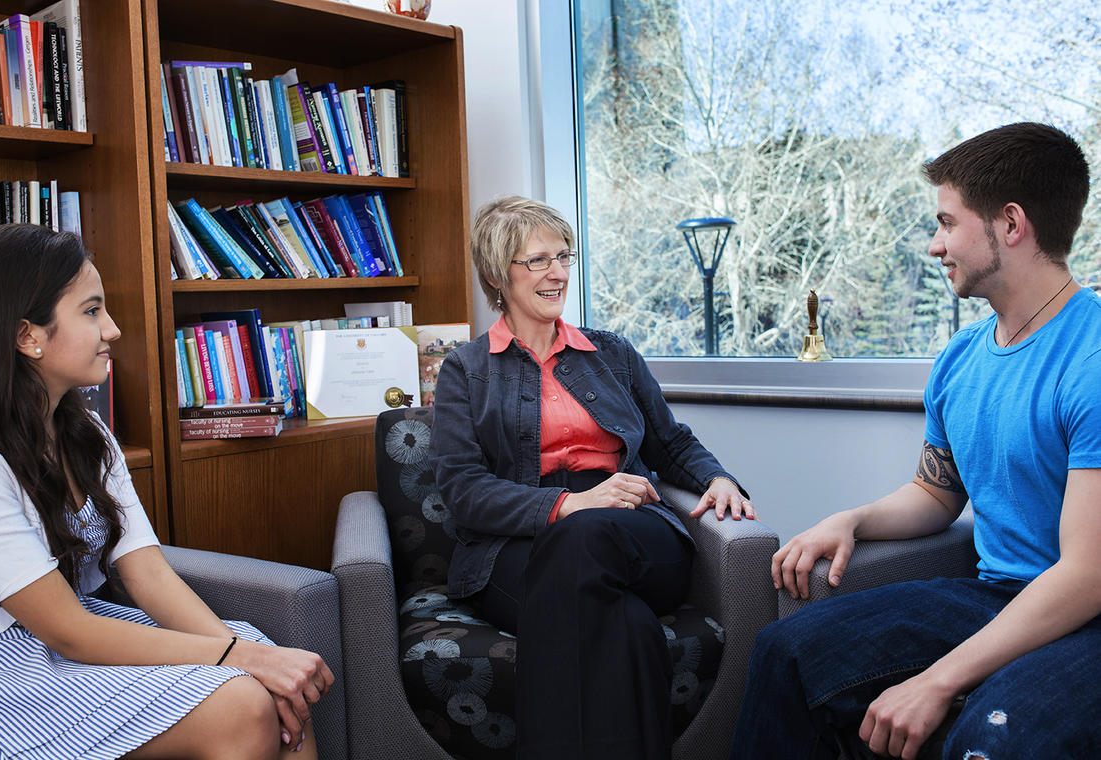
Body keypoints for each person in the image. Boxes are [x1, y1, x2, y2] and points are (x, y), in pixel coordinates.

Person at [729, 122, 1101, 759]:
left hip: (1085, 618)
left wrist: (937, 679)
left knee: (991, 739)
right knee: (786, 651)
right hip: (993, 595)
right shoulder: (960, 359)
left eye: (947, 223)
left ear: (1011, 225)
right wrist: (853, 520)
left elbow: (1088, 575)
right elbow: (936, 492)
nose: (935, 246)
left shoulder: (1090, 357)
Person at [0, 224, 334, 760]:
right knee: (244, 701)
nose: (112, 329)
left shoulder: (88, 433)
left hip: (82, 634)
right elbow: (66, 630)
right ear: (28, 336)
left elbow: (147, 572)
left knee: (274, 670)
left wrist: (245, 654)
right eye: (91, 312)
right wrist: (234, 659)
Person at [430, 196, 755, 760]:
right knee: (625, 625)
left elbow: (669, 441)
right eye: (536, 261)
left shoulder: (612, 353)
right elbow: (462, 490)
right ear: (494, 274)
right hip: (517, 548)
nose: (557, 273)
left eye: (563, 257)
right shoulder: (466, 370)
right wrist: (567, 506)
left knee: (588, 538)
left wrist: (718, 478)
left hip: (632, 530)